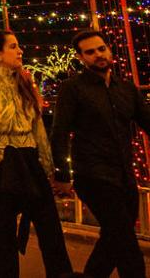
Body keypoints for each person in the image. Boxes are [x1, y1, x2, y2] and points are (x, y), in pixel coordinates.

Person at [0, 29, 72, 278]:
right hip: (1, 165)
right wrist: (5, 155)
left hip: (29, 161)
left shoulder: (25, 82)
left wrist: (49, 168)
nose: (20, 50)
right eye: (13, 46)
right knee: (5, 236)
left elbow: (38, 131)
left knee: (50, 227)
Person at [51, 29, 150, 278]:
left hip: (125, 176)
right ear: (81, 57)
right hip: (93, 176)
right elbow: (59, 132)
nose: (98, 55)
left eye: (101, 49)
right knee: (127, 245)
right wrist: (62, 175)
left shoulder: (127, 89)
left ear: (109, 50)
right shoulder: (72, 88)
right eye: (90, 52)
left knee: (114, 236)